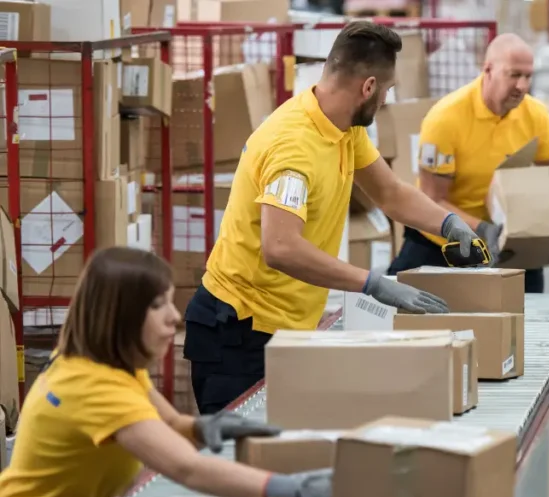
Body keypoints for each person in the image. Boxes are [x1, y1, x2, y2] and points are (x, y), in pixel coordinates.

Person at [184, 22, 482, 414]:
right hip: (240, 333)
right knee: (243, 464)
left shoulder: (342, 127)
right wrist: (371, 283)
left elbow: (389, 193)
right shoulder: (293, 148)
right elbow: (280, 247)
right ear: (369, 87)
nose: (387, 102)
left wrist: (446, 224)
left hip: (284, 329)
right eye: (388, 91)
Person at [0, 247, 330, 497]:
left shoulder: (111, 367)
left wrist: (205, 427)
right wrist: (292, 489)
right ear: (121, 318)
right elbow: (187, 469)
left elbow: (171, 425)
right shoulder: (93, 387)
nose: (175, 316)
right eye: (159, 306)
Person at [385, 33, 549, 292]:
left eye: (528, 76)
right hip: (444, 241)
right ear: (488, 70)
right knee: (398, 307)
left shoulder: (536, 115)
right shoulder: (446, 119)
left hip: (507, 240)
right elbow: (432, 200)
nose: (522, 86)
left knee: (531, 317)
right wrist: (482, 229)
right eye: (514, 75)